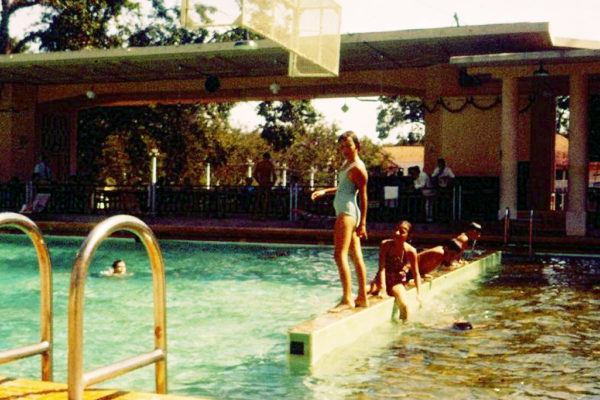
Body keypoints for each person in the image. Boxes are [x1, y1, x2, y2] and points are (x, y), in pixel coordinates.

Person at [311, 131, 369, 312]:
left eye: (348, 146)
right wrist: (325, 191)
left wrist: (363, 223)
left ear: (357, 146)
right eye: (342, 146)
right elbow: (343, 187)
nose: (345, 149)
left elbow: (364, 195)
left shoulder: (358, 167)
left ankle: (347, 299)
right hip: (346, 211)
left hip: (347, 213)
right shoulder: (348, 164)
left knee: (339, 255)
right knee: (356, 256)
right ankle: (362, 298)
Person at [367, 220, 421, 320]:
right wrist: (382, 288)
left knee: (404, 306)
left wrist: (419, 294)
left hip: (396, 282)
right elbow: (382, 267)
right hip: (381, 280)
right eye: (396, 230)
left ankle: (403, 329)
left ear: (408, 236)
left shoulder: (410, 251)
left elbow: (416, 274)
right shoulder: (385, 245)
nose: (397, 233)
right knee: (364, 290)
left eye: (402, 232)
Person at [253, 152, 276, 218]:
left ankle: (256, 214)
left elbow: (254, 174)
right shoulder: (269, 165)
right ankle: (264, 214)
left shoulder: (260, 164)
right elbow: (274, 175)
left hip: (261, 182)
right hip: (267, 183)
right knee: (266, 199)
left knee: (258, 199)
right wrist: (272, 183)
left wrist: (258, 181)